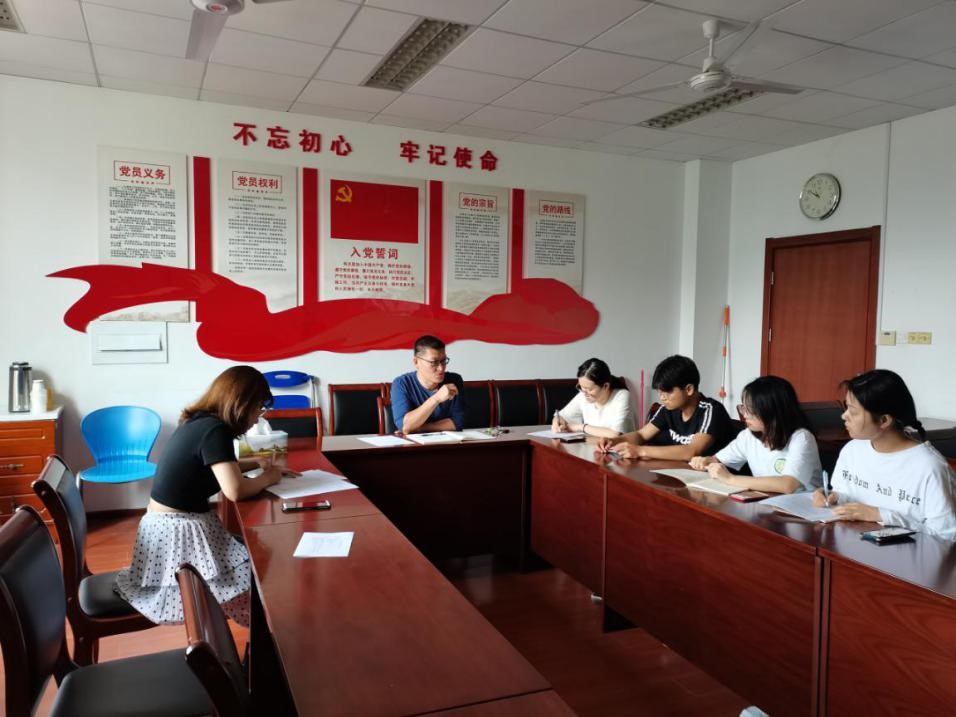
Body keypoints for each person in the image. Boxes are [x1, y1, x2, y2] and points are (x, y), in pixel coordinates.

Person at [115, 366, 297, 625]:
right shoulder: (215, 431)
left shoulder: (199, 422)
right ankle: (265, 633)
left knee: (253, 555)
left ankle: (261, 632)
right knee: (256, 567)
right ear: (242, 404)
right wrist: (271, 476)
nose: (258, 419)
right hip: (177, 534)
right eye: (258, 408)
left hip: (166, 525)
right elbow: (235, 490)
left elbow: (216, 465)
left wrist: (256, 463)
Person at [812, 369, 956, 540]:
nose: (844, 416)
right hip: (849, 544)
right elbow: (846, 494)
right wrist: (833, 497)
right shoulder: (852, 450)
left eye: (853, 411)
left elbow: (947, 536)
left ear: (884, 420)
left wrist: (882, 515)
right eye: (846, 407)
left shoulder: (930, 467)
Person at [690, 375, 822, 493]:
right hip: (767, 502)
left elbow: (788, 485)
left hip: (801, 507)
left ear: (772, 411)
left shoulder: (802, 438)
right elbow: (718, 459)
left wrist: (730, 479)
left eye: (751, 410)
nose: (744, 415)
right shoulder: (748, 436)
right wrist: (706, 461)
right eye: (743, 408)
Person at [597, 354, 734, 460]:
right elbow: (641, 435)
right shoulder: (668, 409)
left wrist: (640, 450)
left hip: (716, 481)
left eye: (667, 391)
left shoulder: (711, 410)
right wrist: (613, 441)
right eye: (660, 392)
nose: (662, 397)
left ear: (689, 389)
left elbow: (692, 451)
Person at [391, 335, 465, 434]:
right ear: (416, 362)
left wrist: (418, 428)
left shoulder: (454, 380)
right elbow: (405, 425)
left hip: (449, 442)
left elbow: (458, 423)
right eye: (433, 362)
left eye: (443, 361)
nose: (441, 368)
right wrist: (436, 398)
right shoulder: (401, 383)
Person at [552, 358, 635, 438]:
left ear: (605, 386)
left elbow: (616, 434)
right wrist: (557, 422)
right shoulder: (583, 395)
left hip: (619, 447)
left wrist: (581, 427)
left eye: (589, 389)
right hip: (593, 445)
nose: (584, 393)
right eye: (581, 387)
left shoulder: (622, 396)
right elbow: (561, 416)